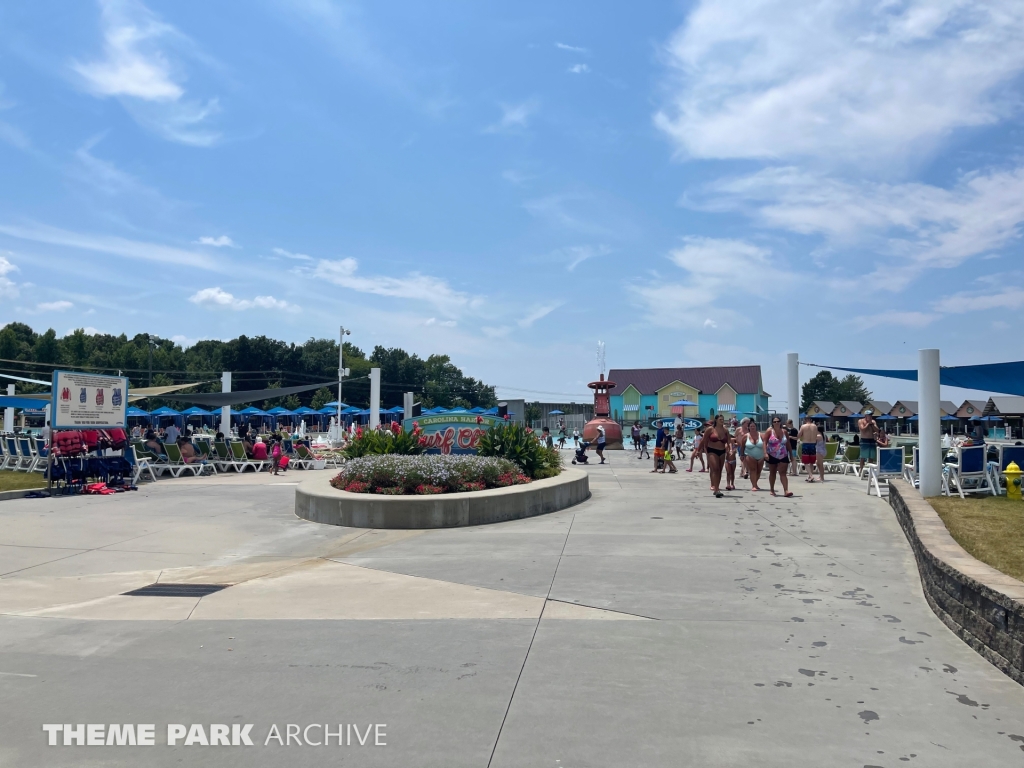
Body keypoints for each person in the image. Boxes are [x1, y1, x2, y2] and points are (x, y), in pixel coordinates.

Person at [764, 417, 793, 497]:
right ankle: (772, 489)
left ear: (780, 422)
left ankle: (786, 490)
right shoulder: (769, 431)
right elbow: (764, 442)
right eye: (774, 421)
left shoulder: (785, 432)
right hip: (772, 454)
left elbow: (788, 444)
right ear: (772, 423)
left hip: (783, 454)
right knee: (772, 473)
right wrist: (765, 453)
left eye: (778, 421)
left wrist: (791, 454)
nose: (776, 423)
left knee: (783, 473)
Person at [704, 415, 729, 497]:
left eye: (723, 419)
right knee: (715, 469)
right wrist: (704, 451)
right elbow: (704, 440)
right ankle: (716, 489)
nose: (722, 421)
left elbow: (728, 441)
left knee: (720, 470)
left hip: (722, 451)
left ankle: (717, 488)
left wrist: (729, 448)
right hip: (712, 450)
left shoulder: (725, 430)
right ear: (716, 420)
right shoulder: (710, 429)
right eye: (720, 419)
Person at [742, 420, 765, 491]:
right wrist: (742, 455)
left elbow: (765, 445)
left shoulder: (761, 435)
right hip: (749, 455)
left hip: (761, 456)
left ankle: (755, 483)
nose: (752, 427)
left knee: (758, 471)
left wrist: (766, 453)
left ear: (756, 427)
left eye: (754, 426)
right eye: (751, 426)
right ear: (748, 427)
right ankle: (754, 485)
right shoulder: (746, 436)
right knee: (753, 470)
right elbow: (742, 447)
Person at [797, 415, 819, 481]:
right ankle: (810, 476)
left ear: (805, 420)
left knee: (806, 462)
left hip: (806, 444)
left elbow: (799, 435)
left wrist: (803, 435)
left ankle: (811, 476)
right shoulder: (815, 426)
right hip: (813, 444)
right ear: (811, 420)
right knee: (812, 462)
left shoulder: (803, 426)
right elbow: (816, 435)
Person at [858, 409, 880, 474]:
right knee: (863, 457)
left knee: (871, 456)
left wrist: (872, 425)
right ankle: (861, 469)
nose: (870, 417)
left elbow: (877, 430)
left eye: (871, 415)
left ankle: (870, 471)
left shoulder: (873, 422)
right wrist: (868, 424)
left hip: (871, 440)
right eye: (869, 415)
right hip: (864, 440)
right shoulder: (861, 421)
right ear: (866, 416)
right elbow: (863, 429)